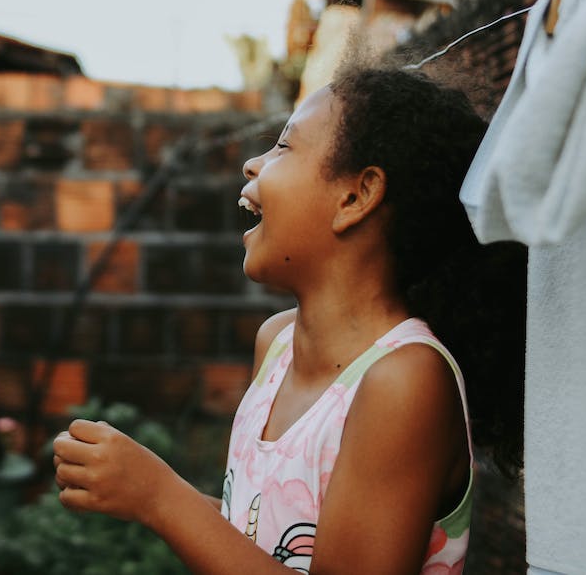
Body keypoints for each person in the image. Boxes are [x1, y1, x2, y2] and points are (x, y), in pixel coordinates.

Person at [53, 66, 524, 574]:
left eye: (283, 147)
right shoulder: (276, 343)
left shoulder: (405, 382)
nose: (253, 164)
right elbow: (262, 539)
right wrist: (143, 488)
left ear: (356, 196)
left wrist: (160, 498)